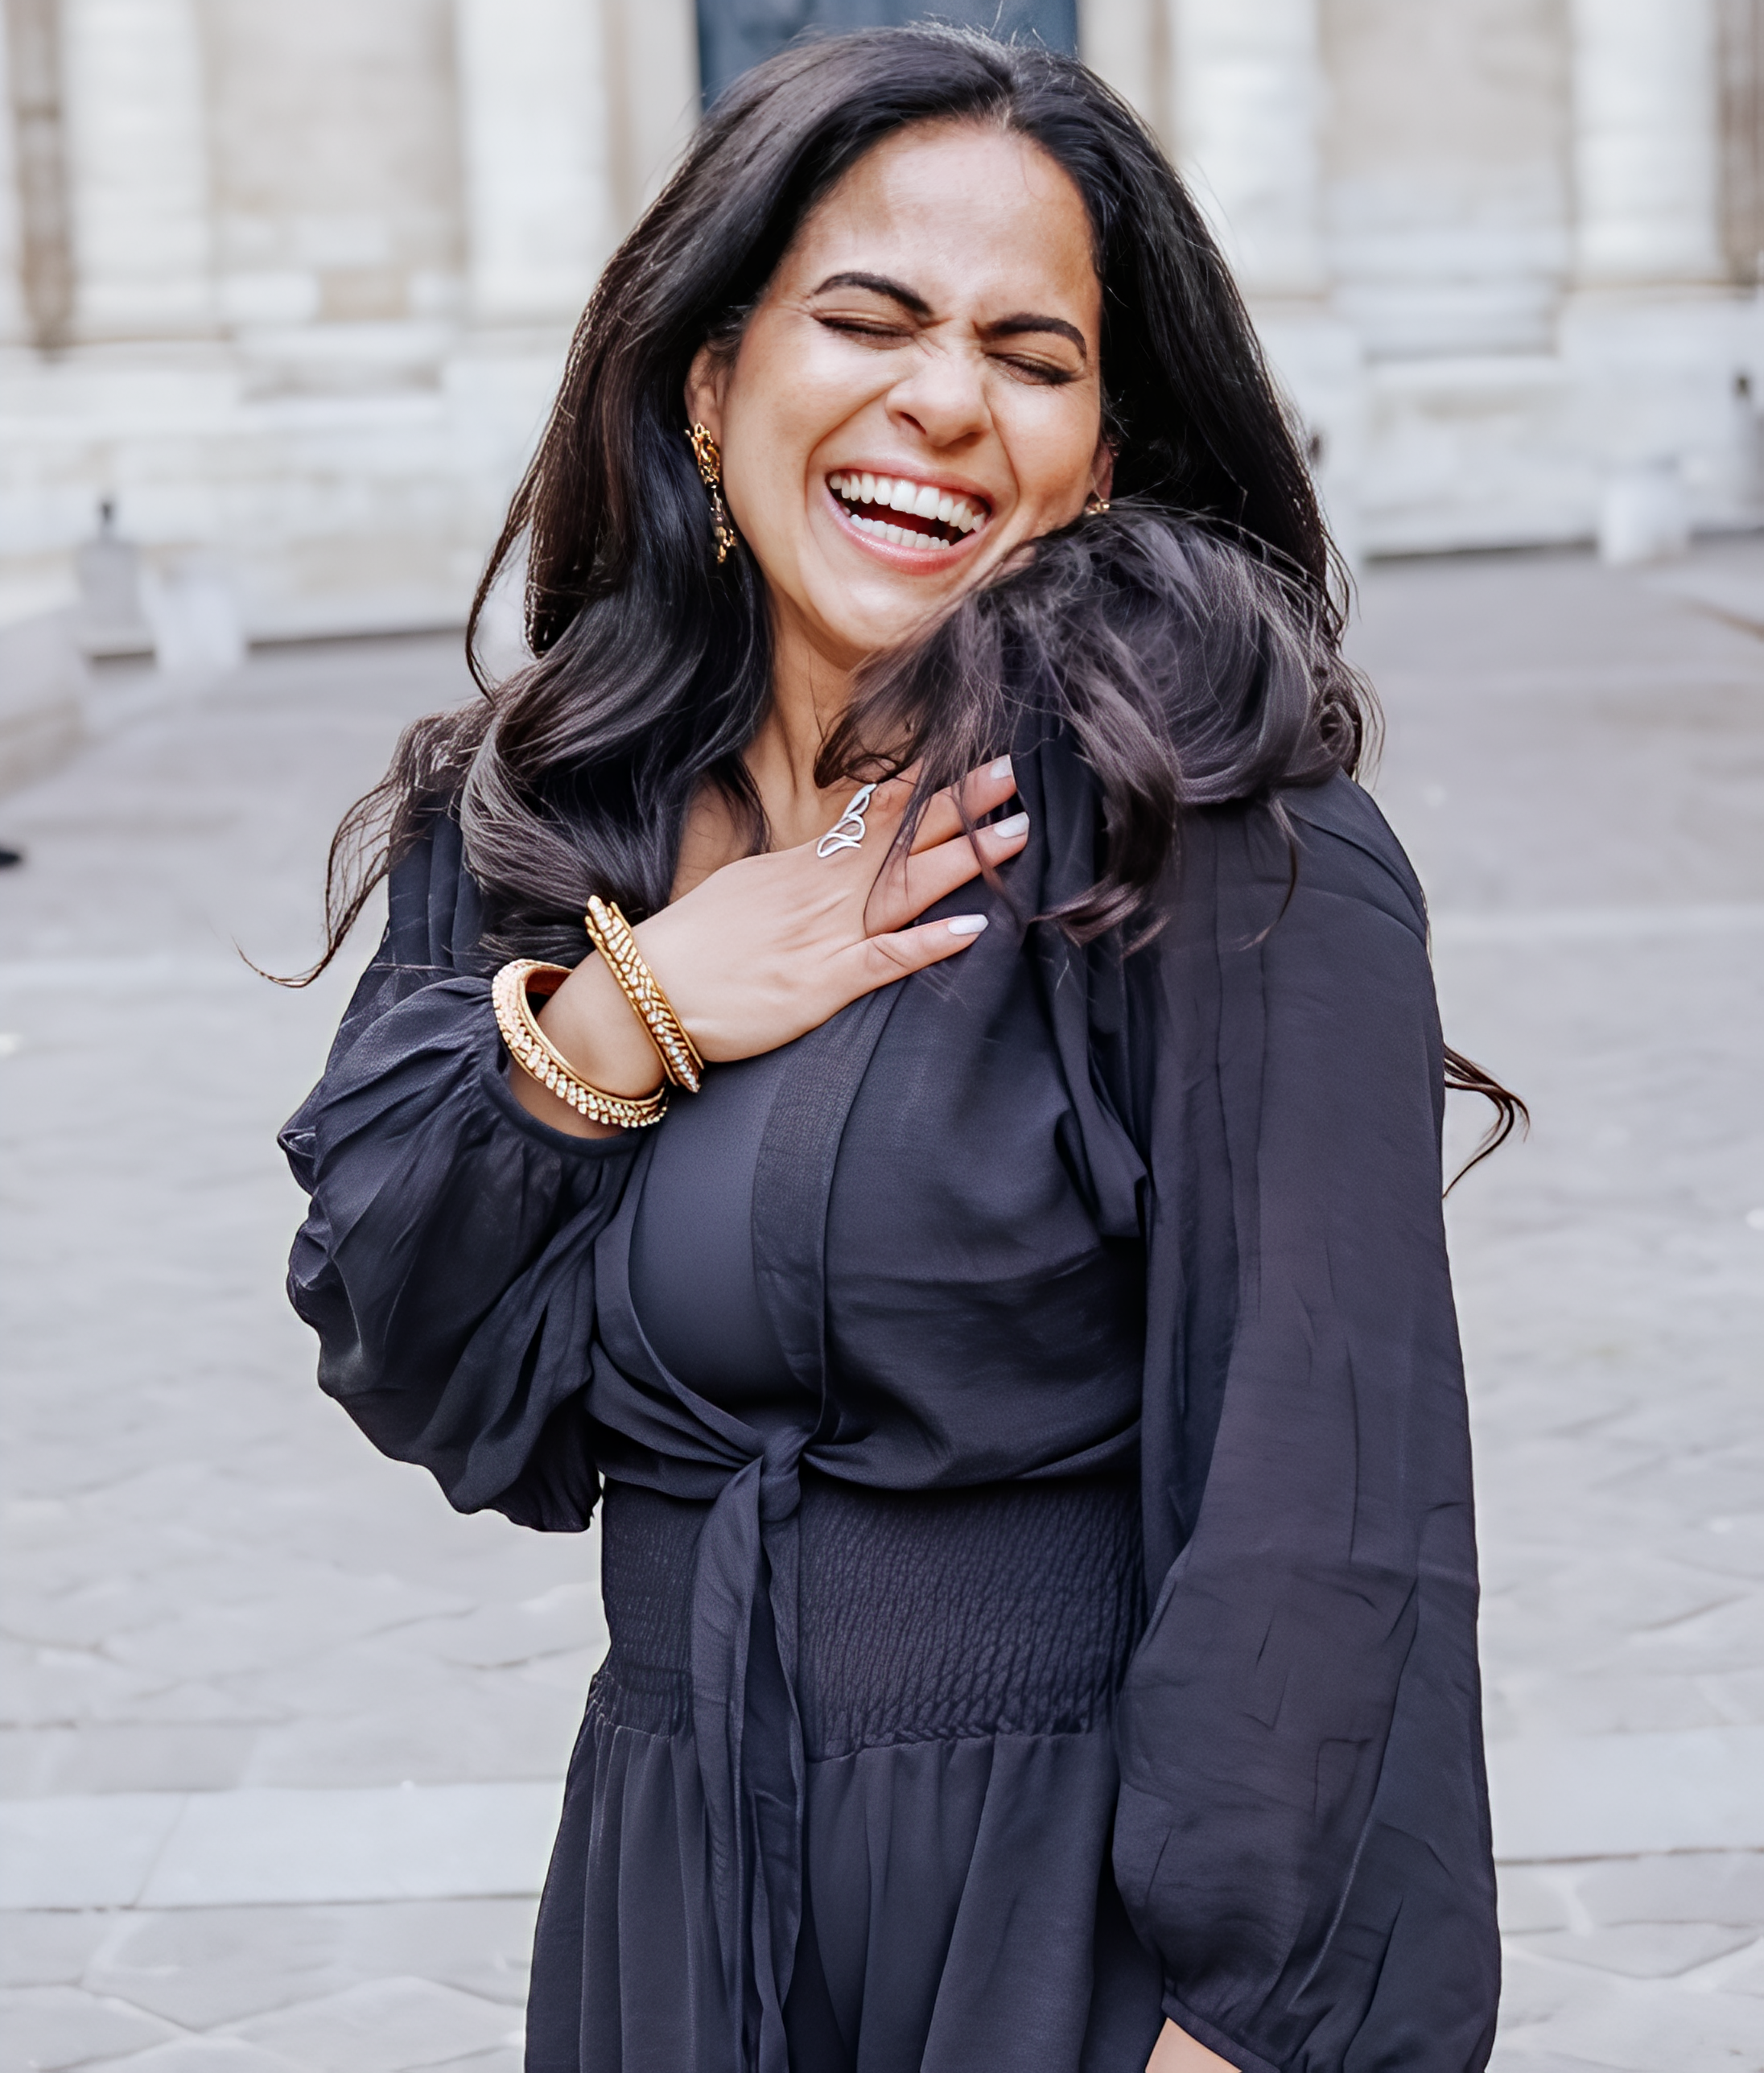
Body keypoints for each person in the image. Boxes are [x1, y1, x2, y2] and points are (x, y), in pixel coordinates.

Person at [282, 27, 1512, 2073]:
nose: (943, 399)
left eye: (1032, 358)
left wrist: (1240, 2025)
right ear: (705, 383)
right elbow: (410, 1341)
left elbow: (1332, 1492)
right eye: (867, 319)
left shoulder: (1206, 827)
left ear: (1100, 452)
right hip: (679, 1876)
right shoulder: (537, 819)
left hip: (1066, 1908)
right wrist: (633, 1010)